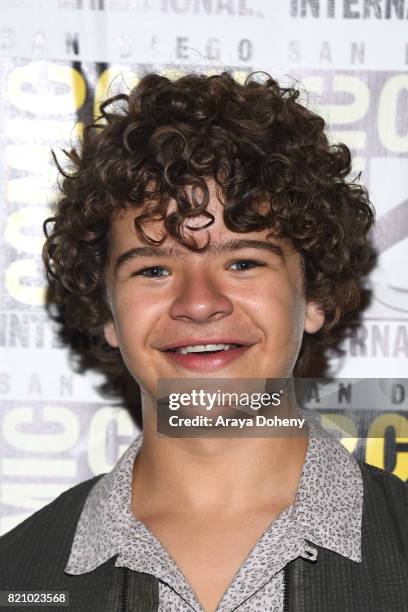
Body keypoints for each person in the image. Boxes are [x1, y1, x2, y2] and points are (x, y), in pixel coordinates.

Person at [1, 71, 407, 612]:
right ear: (108, 314)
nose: (198, 302)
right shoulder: (18, 576)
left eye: (242, 262)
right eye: (152, 270)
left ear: (314, 296)